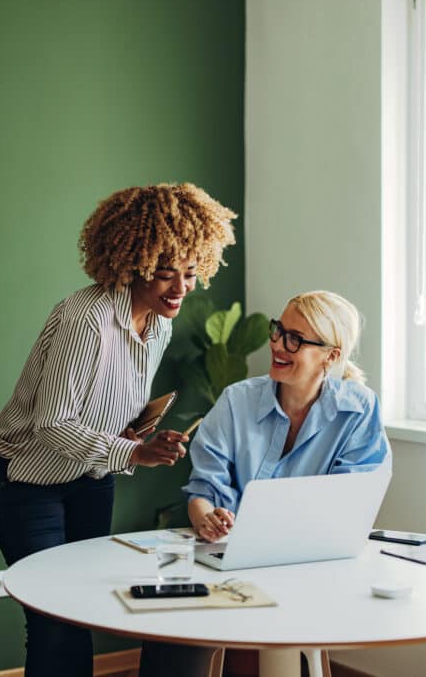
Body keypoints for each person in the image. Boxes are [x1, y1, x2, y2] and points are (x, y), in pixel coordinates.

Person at [0, 183, 237, 677]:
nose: (180, 288)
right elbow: (51, 423)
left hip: (91, 476)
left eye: (189, 273)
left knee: (81, 605)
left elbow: (109, 410)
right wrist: (133, 455)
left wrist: (142, 440)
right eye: (165, 274)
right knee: (54, 617)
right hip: (25, 479)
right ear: (130, 262)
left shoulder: (157, 324)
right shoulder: (85, 320)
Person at [139, 290, 391, 677]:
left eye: (296, 339)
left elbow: (349, 501)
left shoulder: (359, 409)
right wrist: (207, 516)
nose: (278, 344)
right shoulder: (236, 401)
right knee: (171, 616)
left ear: (332, 355)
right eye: (279, 330)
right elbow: (204, 489)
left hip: (312, 565)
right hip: (229, 558)